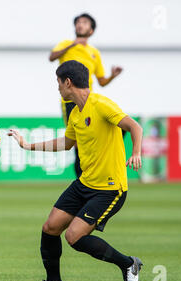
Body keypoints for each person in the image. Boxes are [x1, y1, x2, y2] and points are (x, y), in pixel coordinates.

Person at [8, 60, 143, 281]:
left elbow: (134, 127)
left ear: (68, 82)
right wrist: (28, 145)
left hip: (110, 188)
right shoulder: (76, 113)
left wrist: (137, 153)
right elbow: (65, 143)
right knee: (50, 228)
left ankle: (128, 264)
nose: (58, 88)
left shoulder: (101, 104)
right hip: (85, 183)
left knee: (74, 237)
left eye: (58, 83)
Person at [49, 13, 124, 178]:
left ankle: (102, 165)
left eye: (84, 23)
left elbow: (102, 81)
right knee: (76, 142)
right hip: (70, 101)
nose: (80, 25)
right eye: (78, 22)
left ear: (91, 30)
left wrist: (113, 76)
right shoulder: (66, 44)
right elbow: (52, 57)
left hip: (89, 99)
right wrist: (71, 46)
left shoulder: (94, 53)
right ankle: (82, 181)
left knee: (116, 126)